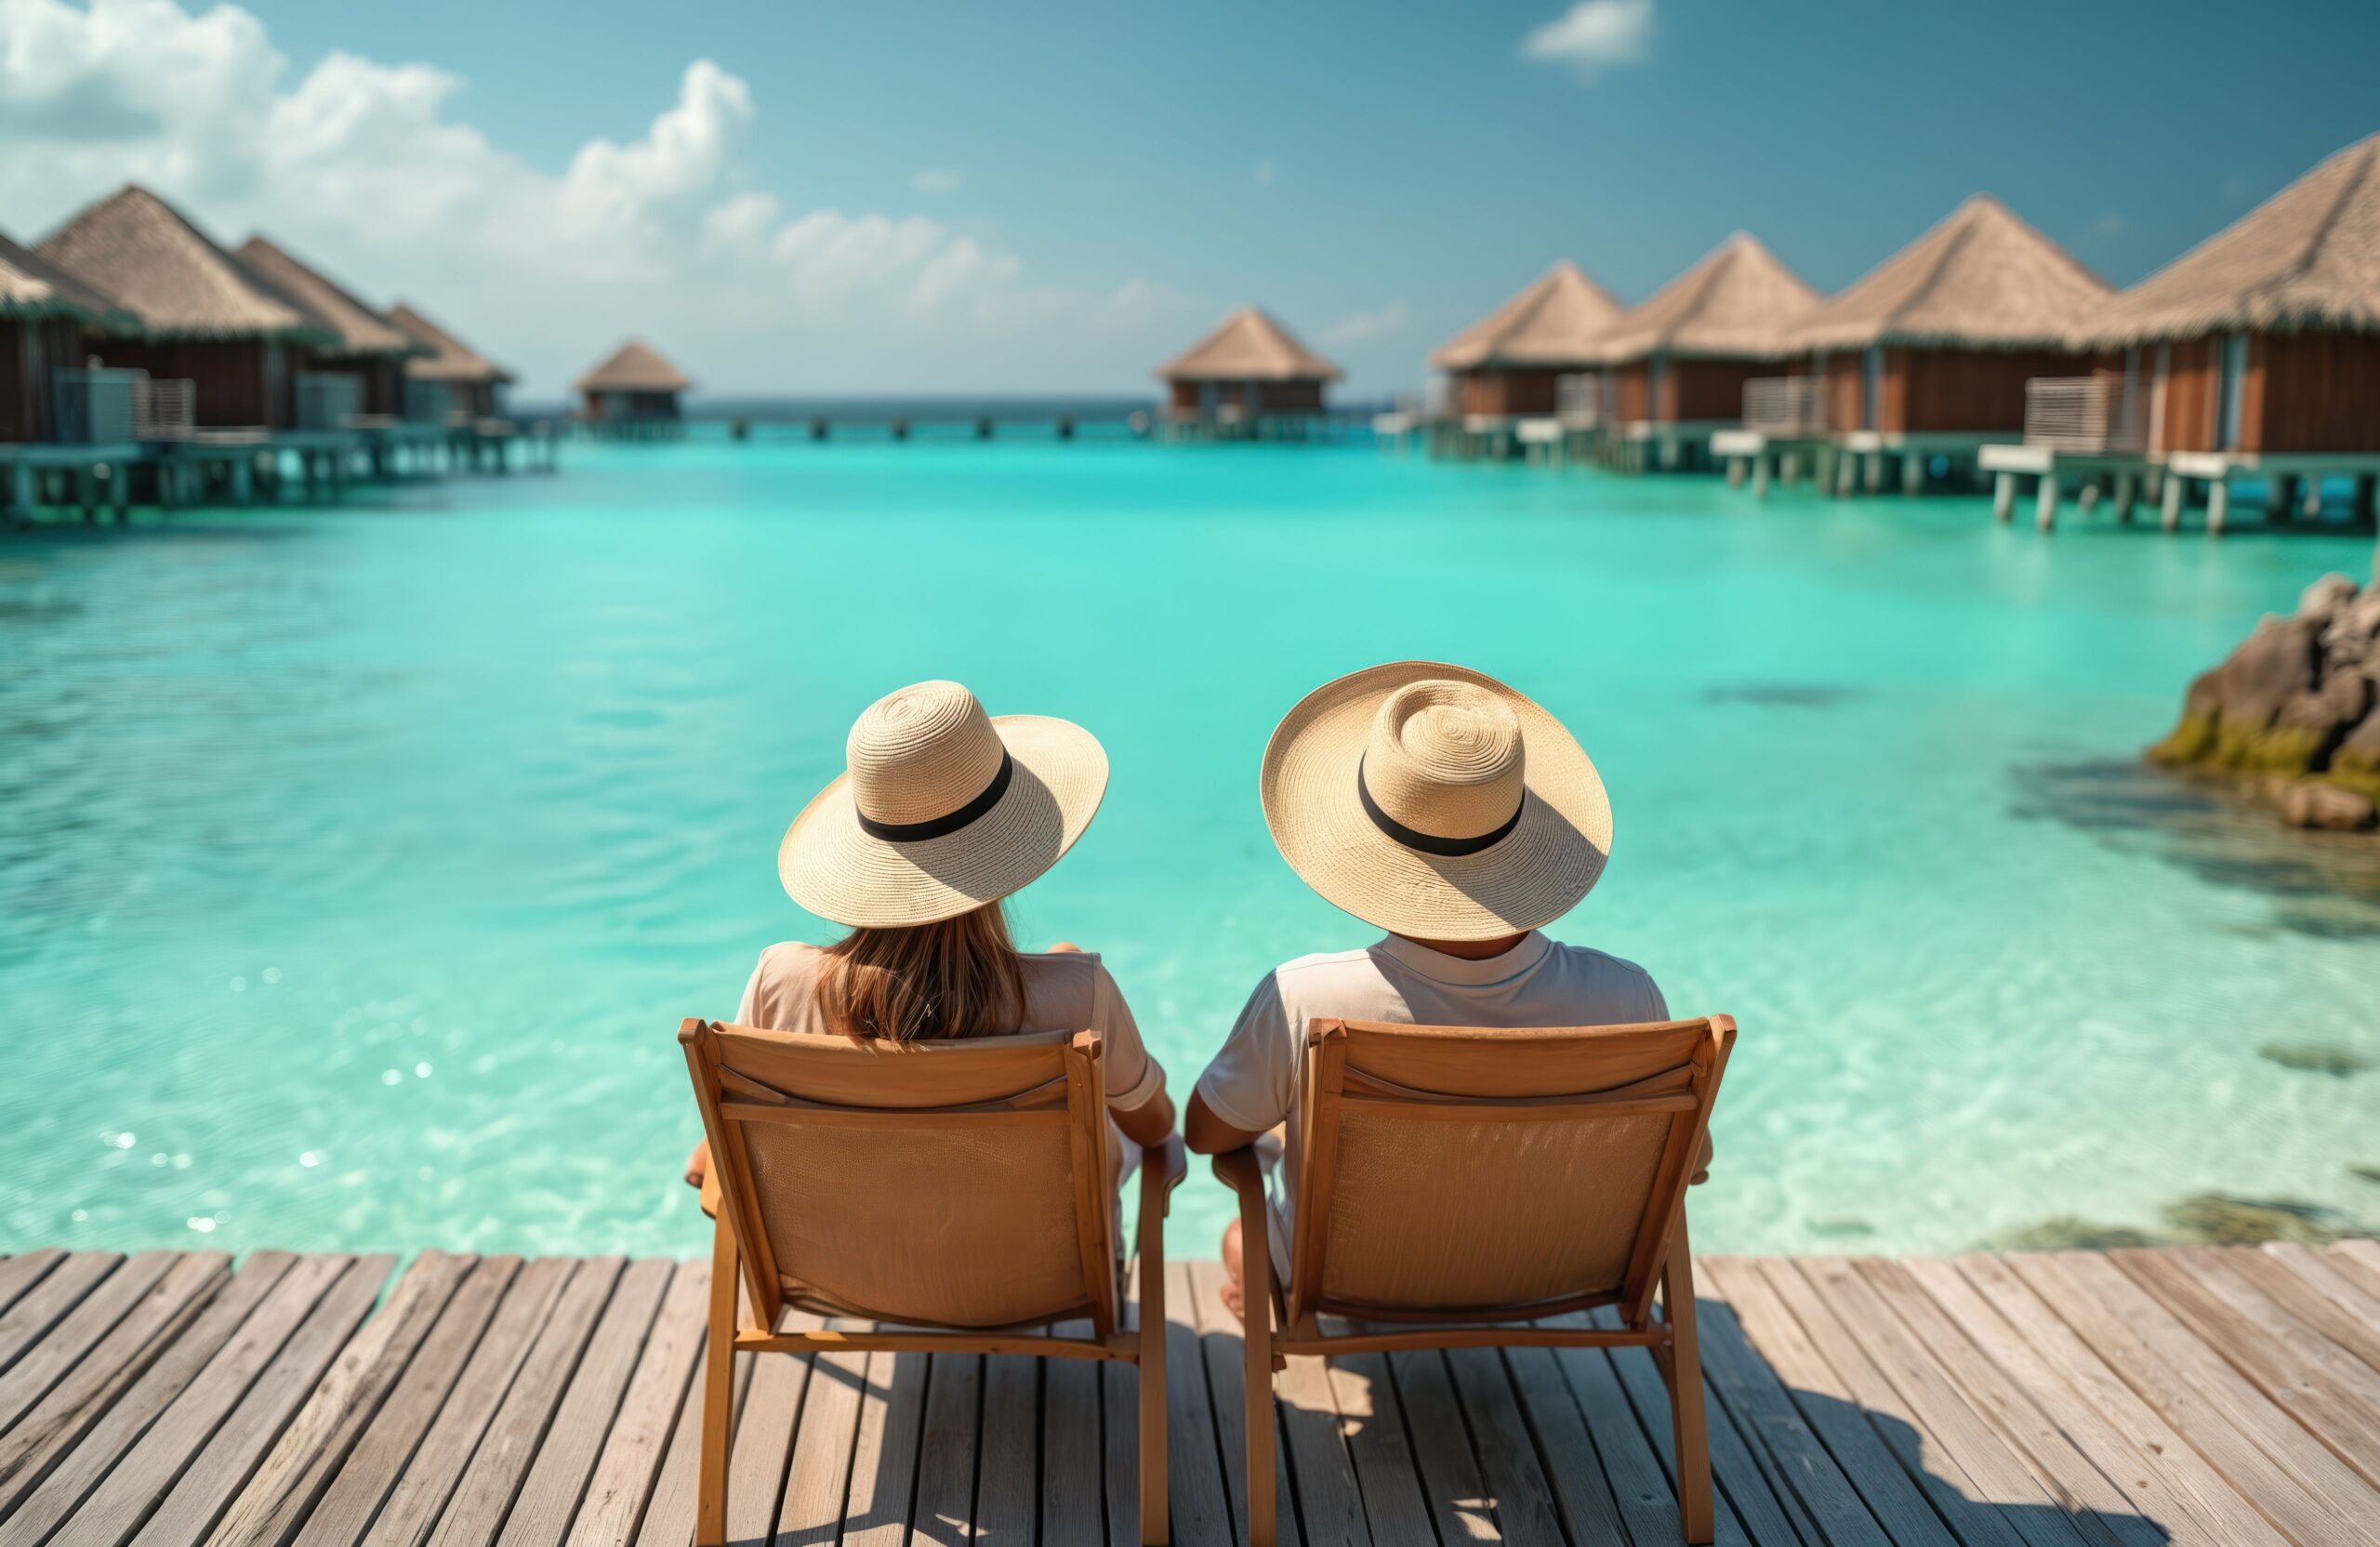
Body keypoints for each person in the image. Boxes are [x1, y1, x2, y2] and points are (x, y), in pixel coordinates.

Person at [1182, 662, 1703, 1317]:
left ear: (1368, 844)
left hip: (1354, 1280)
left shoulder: (1307, 998)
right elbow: (1690, 1163)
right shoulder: (1626, 998)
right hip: (1557, 1277)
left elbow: (1205, 1134)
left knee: (1240, 1239)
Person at [684, 680, 1173, 1196]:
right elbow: (1154, 1126)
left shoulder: (778, 982)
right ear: (1005, 845)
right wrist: (1069, 975)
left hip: (837, 1272)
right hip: (1035, 1274)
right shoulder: (1080, 997)